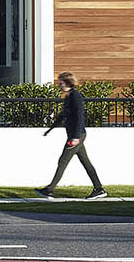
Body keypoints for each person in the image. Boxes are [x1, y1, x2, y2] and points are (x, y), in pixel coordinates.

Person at [36, 71, 106, 199]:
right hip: (75, 135)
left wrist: (76, 137)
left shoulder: (76, 96)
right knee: (86, 163)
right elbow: (62, 116)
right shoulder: (68, 97)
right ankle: (99, 189)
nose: (59, 85)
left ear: (68, 83)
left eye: (61, 83)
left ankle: (49, 190)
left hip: (76, 135)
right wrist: (50, 129)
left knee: (62, 161)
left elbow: (80, 117)